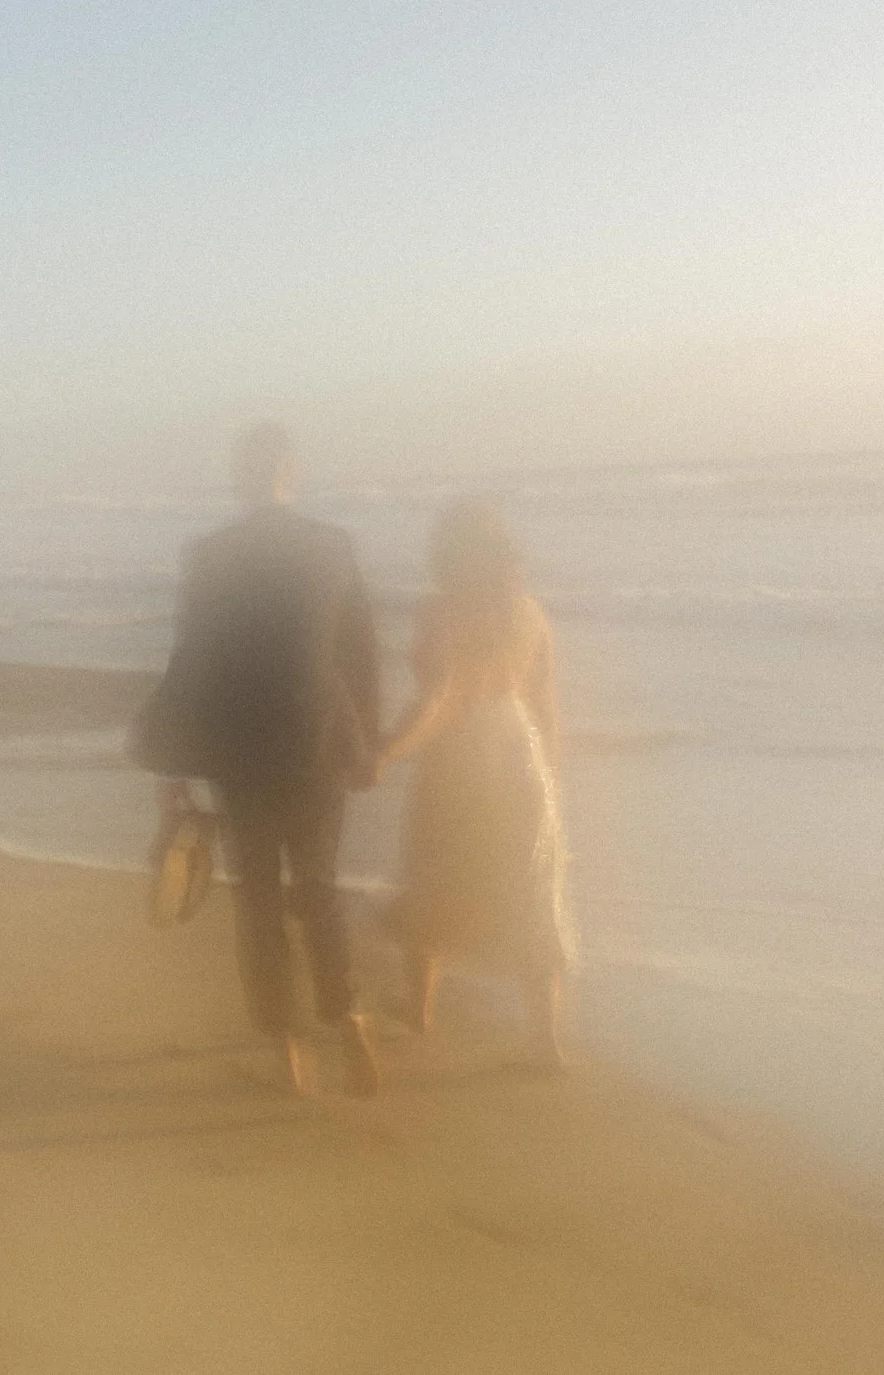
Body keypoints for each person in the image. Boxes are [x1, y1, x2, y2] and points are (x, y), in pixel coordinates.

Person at [141, 423, 385, 1097]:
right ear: (291, 470)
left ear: (240, 475)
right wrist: (368, 744)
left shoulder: (211, 555)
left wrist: (171, 766)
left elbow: (190, 662)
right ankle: (351, 1018)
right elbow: (360, 651)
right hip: (319, 744)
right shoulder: (333, 547)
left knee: (257, 901)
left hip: (241, 751)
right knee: (319, 887)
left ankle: (290, 1052)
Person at [377, 498, 574, 1069]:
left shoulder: (441, 611)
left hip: (461, 753)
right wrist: (550, 778)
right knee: (530, 886)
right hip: (520, 755)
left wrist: (389, 750)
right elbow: (545, 702)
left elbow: (441, 697)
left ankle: (420, 1007)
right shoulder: (530, 613)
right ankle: (546, 1038)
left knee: (433, 868)